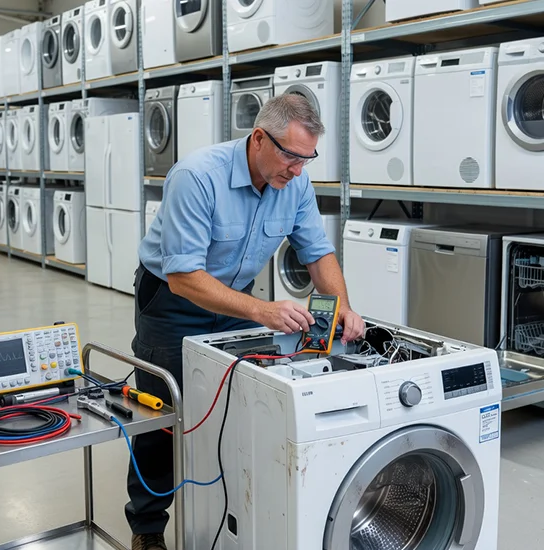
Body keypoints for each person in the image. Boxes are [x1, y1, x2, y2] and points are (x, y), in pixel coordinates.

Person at [126, 93, 365, 550]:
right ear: (259, 138)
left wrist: (344, 307)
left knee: (235, 404)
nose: (298, 170)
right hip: (173, 300)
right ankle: (148, 526)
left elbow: (318, 252)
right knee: (163, 413)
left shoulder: (294, 183)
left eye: (307, 159)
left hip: (237, 299)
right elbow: (183, 276)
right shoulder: (197, 177)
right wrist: (262, 310)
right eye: (291, 156)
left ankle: (226, 507)